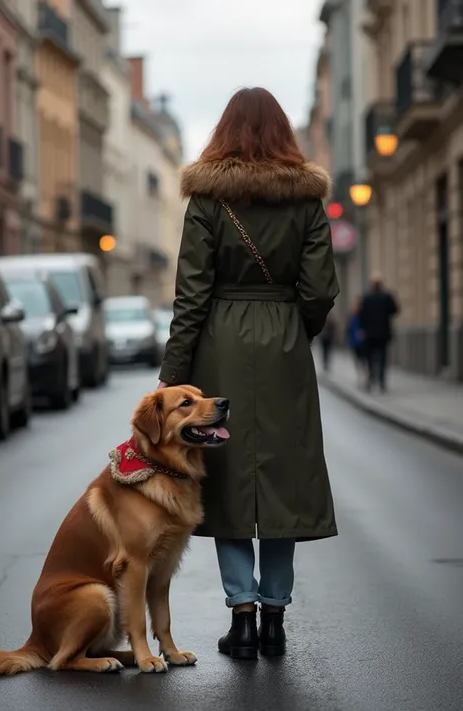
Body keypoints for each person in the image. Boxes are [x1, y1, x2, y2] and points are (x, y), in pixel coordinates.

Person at [158, 87, 339, 660]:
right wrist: (294, 329)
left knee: (229, 477)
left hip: (219, 345)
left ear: (223, 131)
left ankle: (240, 615)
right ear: (285, 132)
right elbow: (319, 290)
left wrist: (172, 375)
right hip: (284, 340)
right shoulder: (307, 200)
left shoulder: (208, 199)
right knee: (283, 478)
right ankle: (275, 616)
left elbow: (191, 295)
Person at [360, 273, 399, 392]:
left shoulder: (367, 298)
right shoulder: (387, 296)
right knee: (382, 357)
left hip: (369, 333)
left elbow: (362, 315)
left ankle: (371, 379)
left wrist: (363, 329)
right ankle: (382, 381)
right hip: (383, 332)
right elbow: (395, 310)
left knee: (370, 357)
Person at [346, 297, 366, 385]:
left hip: (362, 342)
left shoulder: (362, 316)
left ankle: (364, 376)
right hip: (354, 342)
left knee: (363, 359)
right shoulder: (352, 317)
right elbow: (348, 330)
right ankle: (360, 376)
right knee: (357, 359)